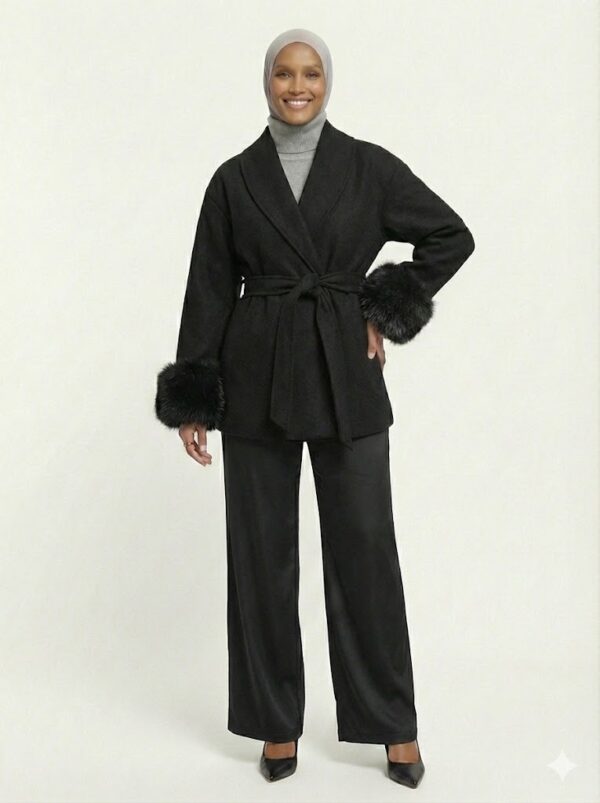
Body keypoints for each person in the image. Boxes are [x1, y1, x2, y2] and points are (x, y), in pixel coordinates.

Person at [154, 28, 475, 788]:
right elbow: (208, 288)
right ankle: (276, 721)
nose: (296, 86)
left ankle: (392, 723)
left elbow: (449, 235)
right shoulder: (234, 180)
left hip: (345, 373)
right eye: (283, 73)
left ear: (328, 82)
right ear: (266, 81)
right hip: (254, 376)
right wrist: (196, 398)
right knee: (261, 556)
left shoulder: (366, 166)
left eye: (311, 74)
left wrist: (382, 305)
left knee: (365, 550)